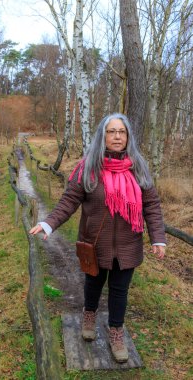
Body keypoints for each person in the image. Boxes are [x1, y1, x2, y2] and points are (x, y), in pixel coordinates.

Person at [29, 113, 166, 363]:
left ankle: (116, 332)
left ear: (128, 137)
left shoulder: (138, 167)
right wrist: (48, 224)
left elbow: (152, 205)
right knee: (93, 284)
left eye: (121, 132)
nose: (116, 136)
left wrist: (158, 238)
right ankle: (89, 315)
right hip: (94, 243)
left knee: (119, 291)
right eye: (111, 131)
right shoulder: (88, 166)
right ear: (103, 136)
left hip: (128, 245)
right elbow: (69, 201)